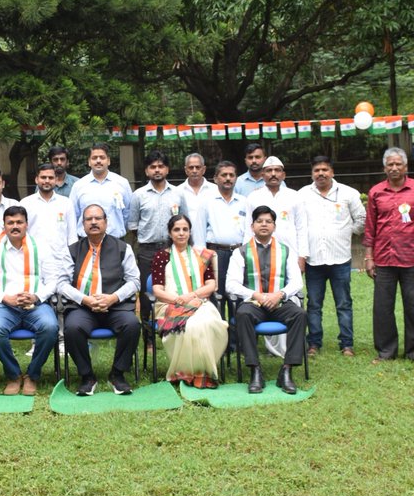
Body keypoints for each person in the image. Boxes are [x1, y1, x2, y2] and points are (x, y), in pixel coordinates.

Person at [58, 205, 141, 395]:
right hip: (84, 308)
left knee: (132, 325)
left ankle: (117, 374)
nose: (93, 222)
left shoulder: (123, 248)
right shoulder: (72, 250)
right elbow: (61, 284)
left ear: (106, 222)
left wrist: (113, 298)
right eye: (89, 219)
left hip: (115, 307)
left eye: (98, 218)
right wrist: (85, 299)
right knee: (72, 328)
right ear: (83, 224)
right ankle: (87, 376)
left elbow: (135, 281)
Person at [364, 147, 414, 363]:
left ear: (405, 167)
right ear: (385, 168)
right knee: (383, 308)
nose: (394, 168)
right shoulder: (376, 192)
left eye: (398, 164)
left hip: (412, 257)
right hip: (383, 259)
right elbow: (370, 228)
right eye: (390, 165)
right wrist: (369, 257)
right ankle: (386, 351)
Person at [228, 206, 306, 394]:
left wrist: (279, 295)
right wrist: (257, 295)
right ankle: (255, 370)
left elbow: (297, 282)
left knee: (300, 315)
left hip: (279, 302)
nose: (264, 224)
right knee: (242, 314)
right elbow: (231, 284)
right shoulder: (240, 252)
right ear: (252, 226)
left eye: (268, 221)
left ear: (274, 226)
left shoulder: (286, 251)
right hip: (254, 303)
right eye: (260, 221)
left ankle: (287, 370)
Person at [0, 206, 60, 395]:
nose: (15, 226)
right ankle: (13, 374)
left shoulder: (40, 246)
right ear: (4, 225)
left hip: (35, 305)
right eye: (10, 223)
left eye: (19, 222)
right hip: (6, 306)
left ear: (26, 224)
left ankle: (32, 375)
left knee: (50, 327)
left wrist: (36, 296)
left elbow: (53, 279)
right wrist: (4, 298)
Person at [151, 213, 227, 388]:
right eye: (176, 229)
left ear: (190, 232)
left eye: (185, 229)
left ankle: (203, 371)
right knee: (191, 326)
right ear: (170, 233)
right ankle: (186, 371)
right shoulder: (162, 256)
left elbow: (211, 285)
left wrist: (191, 296)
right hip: (170, 304)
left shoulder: (202, 255)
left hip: (199, 302)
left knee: (207, 323)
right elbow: (157, 290)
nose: (181, 233)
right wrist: (178, 300)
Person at [299, 156, 365, 357]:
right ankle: (314, 343)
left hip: (340, 259)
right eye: (317, 170)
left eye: (325, 169)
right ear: (312, 173)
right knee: (314, 304)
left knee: (344, 303)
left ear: (332, 172)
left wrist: (346, 232)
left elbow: (362, 219)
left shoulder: (348, 193)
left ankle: (347, 344)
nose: (321, 173)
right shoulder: (302, 195)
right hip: (314, 260)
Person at [129, 150, 190, 347]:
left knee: (174, 290)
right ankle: (148, 339)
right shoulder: (138, 195)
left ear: (167, 169)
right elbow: (133, 225)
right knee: (147, 297)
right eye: (153, 167)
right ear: (147, 171)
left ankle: (174, 331)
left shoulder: (178, 194)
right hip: (147, 251)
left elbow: (184, 221)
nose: (157, 170)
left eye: (161, 166)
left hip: (172, 250)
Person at [197, 160, 248, 300]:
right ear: (215, 179)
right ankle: (219, 322)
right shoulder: (206, 201)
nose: (228, 178)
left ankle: (235, 322)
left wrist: (247, 254)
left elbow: (249, 232)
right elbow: (199, 233)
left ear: (236, 178)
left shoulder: (244, 202)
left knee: (237, 294)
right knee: (216, 294)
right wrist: (203, 260)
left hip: (239, 253)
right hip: (215, 253)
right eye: (224, 175)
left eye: (231, 175)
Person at [244, 156, 308, 264]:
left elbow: (302, 228)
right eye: (269, 170)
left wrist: (302, 256)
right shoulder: (253, 197)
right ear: (262, 175)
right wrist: (246, 254)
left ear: (283, 175)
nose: (273, 174)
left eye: (277, 170)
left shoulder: (295, 196)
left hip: (290, 254)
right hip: (260, 254)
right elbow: (248, 228)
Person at [68, 143, 132, 238]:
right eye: (94, 158)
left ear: (108, 161)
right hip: (86, 242)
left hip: (115, 241)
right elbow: (73, 215)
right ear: (89, 162)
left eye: (102, 157)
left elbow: (128, 213)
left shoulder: (122, 183)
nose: (98, 161)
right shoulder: (79, 186)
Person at [19, 163, 76, 262]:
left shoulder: (66, 203)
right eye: (43, 177)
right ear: (37, 179)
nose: (47, 181)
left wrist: (73, 258)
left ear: (56, 180)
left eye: (50, 178)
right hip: (33, 260)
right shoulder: (25, 203)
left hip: (61, 261)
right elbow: (21, 234)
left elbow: (72, 236)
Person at [178, 153, 217, 234]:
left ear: (204, 169)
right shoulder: (177, 191)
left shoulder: (215, 190)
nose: (194, 171)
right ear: (186, 170)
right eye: (191, 167)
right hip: (186, 237)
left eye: (198, 167)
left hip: (209, 238)